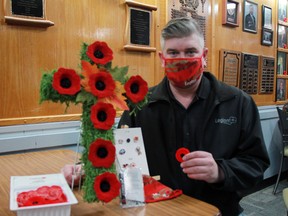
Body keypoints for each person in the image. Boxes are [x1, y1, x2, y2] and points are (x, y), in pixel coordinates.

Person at [63, 17, 270, 216]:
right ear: (162, 58)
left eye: (190, 52)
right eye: (173, 53)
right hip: (157, 210)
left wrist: (220, 171)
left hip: (218, 210)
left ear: (204, 55)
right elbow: (120, 154)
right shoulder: (139, 105)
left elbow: (256, 164)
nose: (181, 60)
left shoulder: (238, 102)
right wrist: (84, 169)